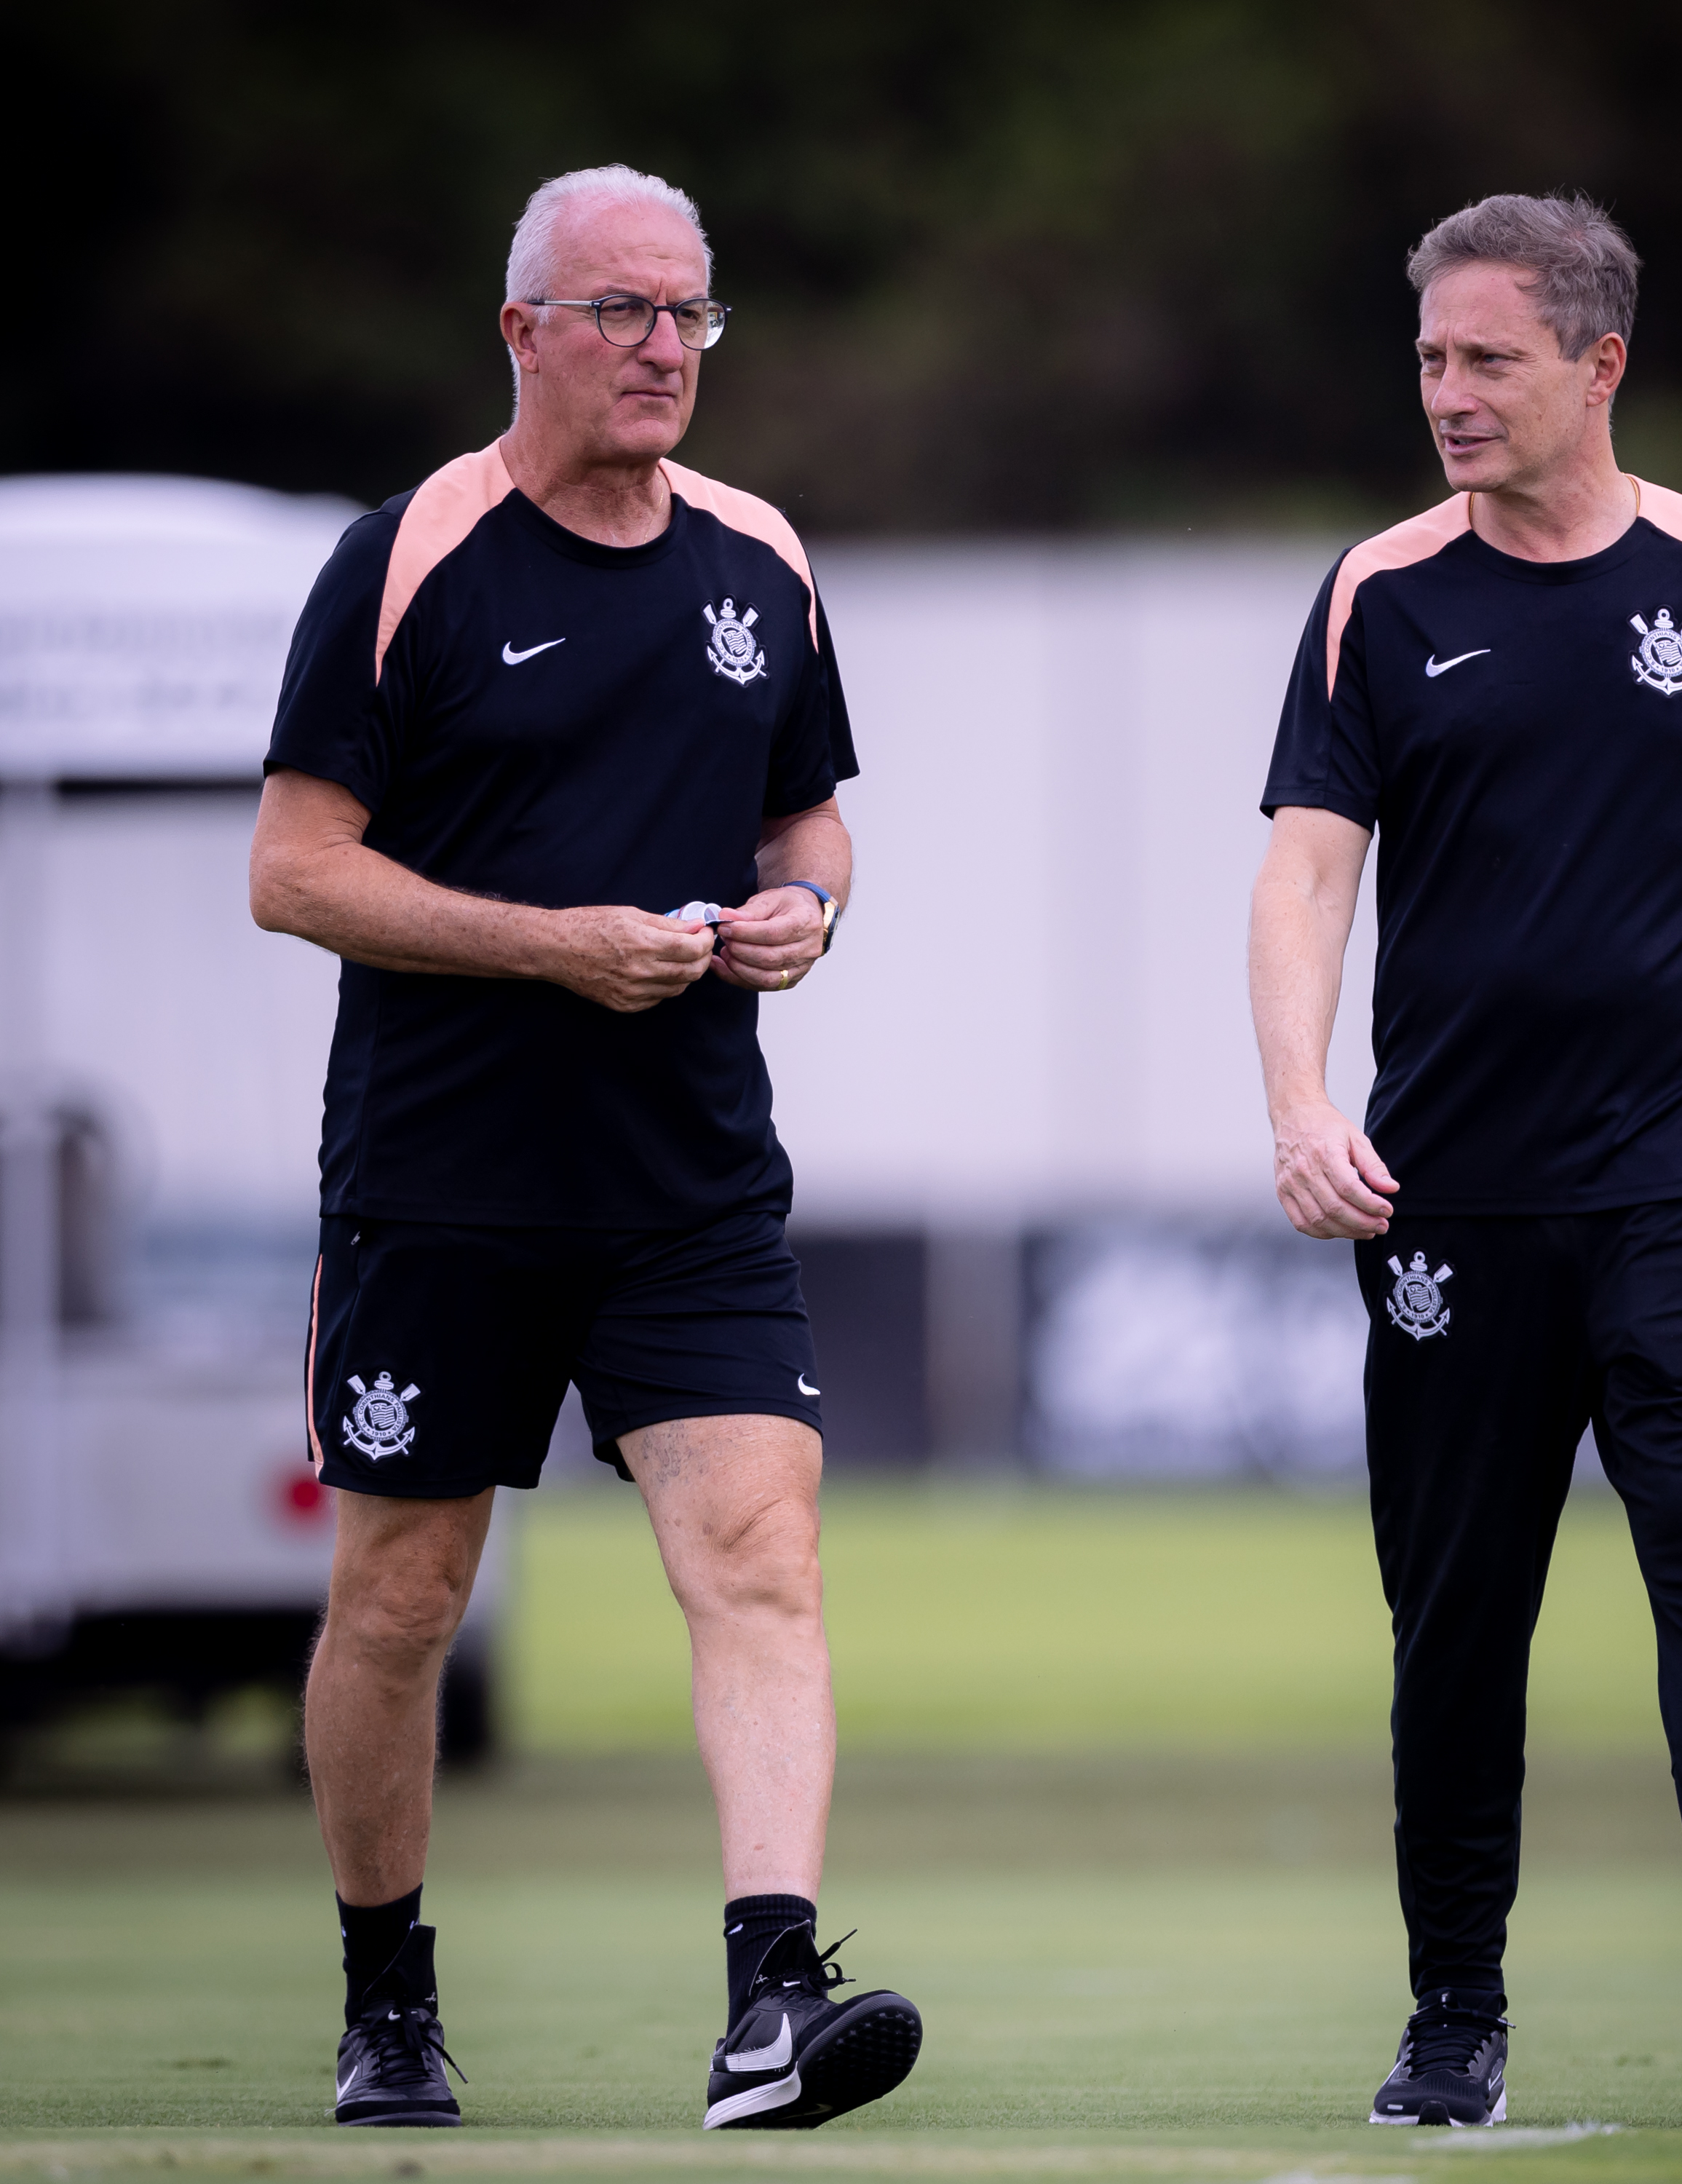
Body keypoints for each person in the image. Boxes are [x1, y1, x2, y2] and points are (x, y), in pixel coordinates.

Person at [250, 163, 920, 2134]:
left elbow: (811, 823)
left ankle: (774, 2001)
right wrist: (555, 949)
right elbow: (294, 871)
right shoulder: (409, 557)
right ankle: (389, 1997)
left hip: (690, 1183)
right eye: (621, 311)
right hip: (440, 1181)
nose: (662, 348)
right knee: (398, 1603)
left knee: (760, 1560)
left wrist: (810, 913)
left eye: (688, 314)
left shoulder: (758, 556)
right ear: (522, 332)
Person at [1248, 193, 1682, 2131]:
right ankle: (1455, 2012)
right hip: (1450, 1202)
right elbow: (1300, 869)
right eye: (1429, 357)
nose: (1444, 393)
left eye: (1486, 359)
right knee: (1457, 1611)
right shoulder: (1377, 594)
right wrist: (1298, 1102)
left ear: (1596, 364)